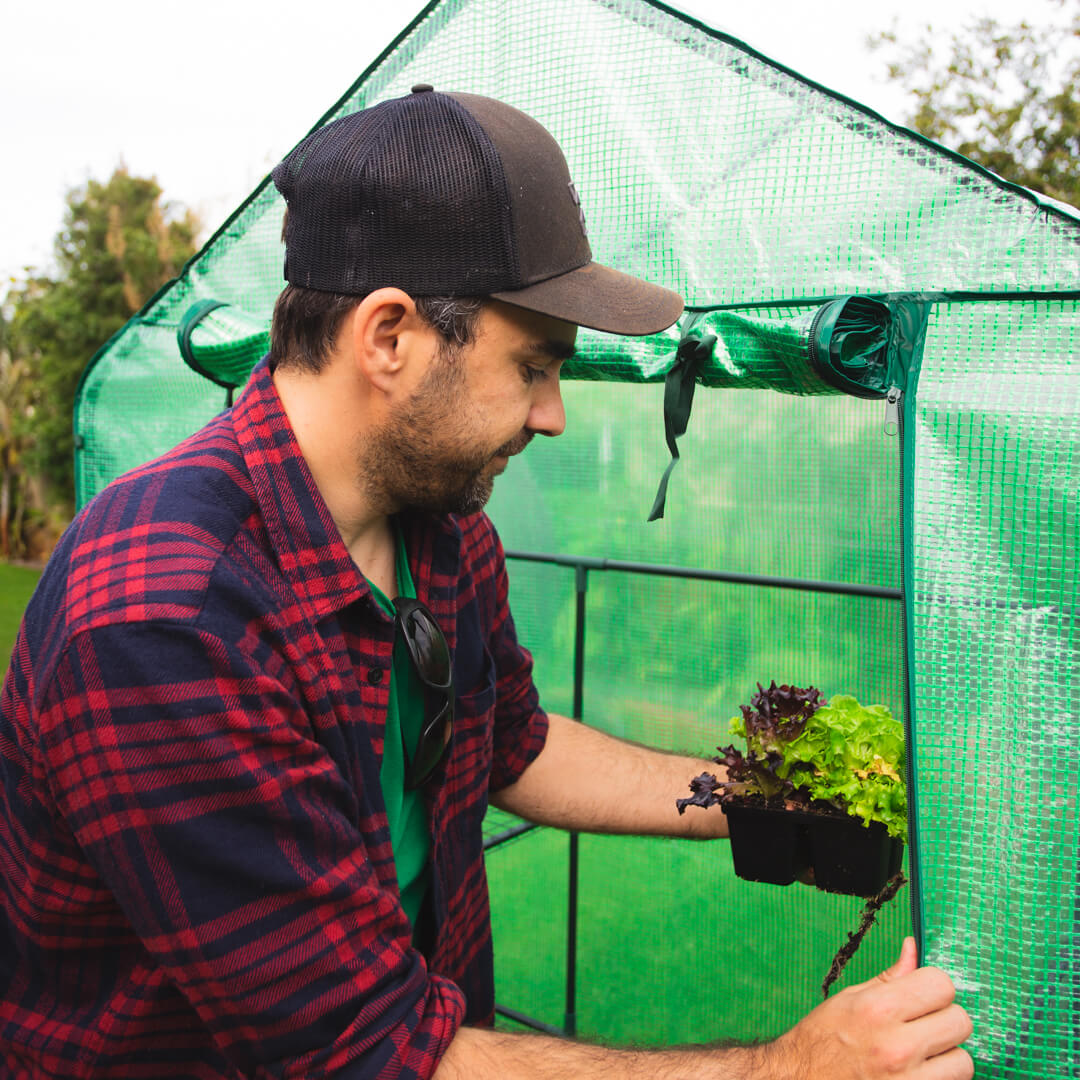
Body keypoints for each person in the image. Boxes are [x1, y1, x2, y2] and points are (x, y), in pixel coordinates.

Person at [0, 86, 972, 1079]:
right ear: (388, 337)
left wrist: (759, 794)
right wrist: (783, 1070)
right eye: (533, 366)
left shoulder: (444, 530)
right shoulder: (163, 616)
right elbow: (365, 1053)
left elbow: (516, 746)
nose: (552, 415)